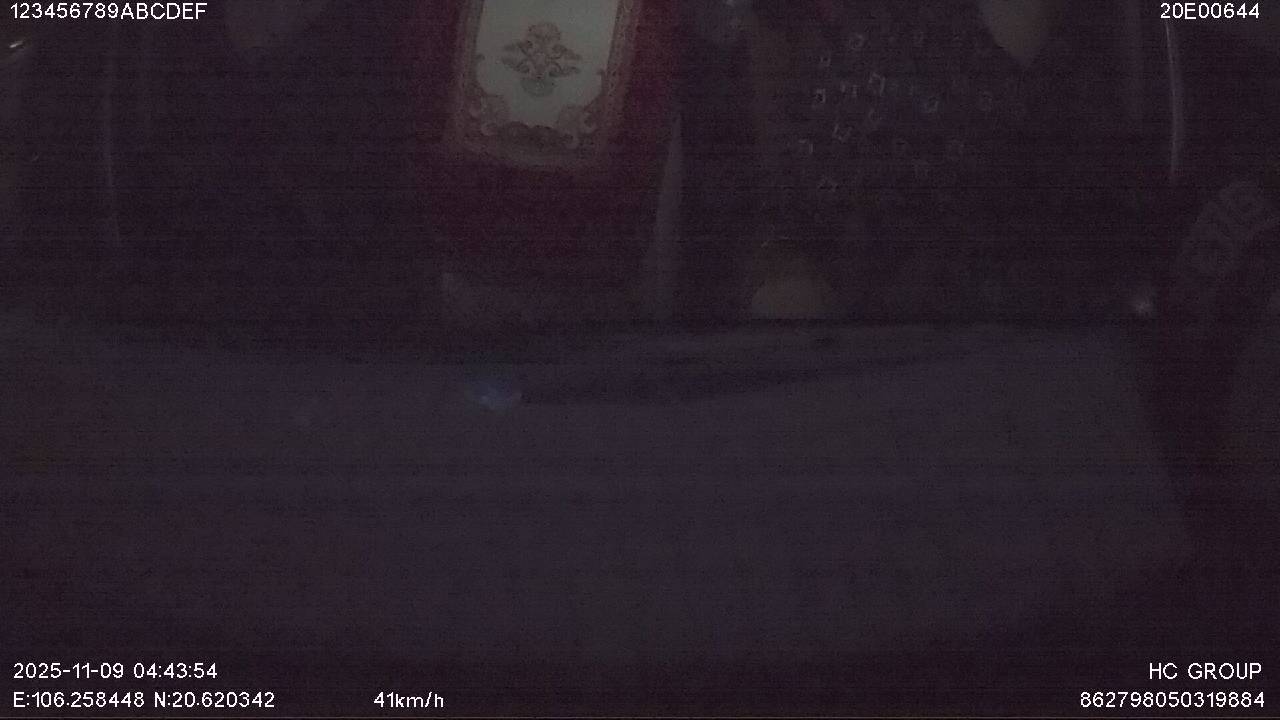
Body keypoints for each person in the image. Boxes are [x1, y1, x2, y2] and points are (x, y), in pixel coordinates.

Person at [739, 0, 1152, 319]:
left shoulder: (1126, 54)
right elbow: (785, 222)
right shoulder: (868, 41)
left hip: (1051, 362)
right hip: (880, 368)